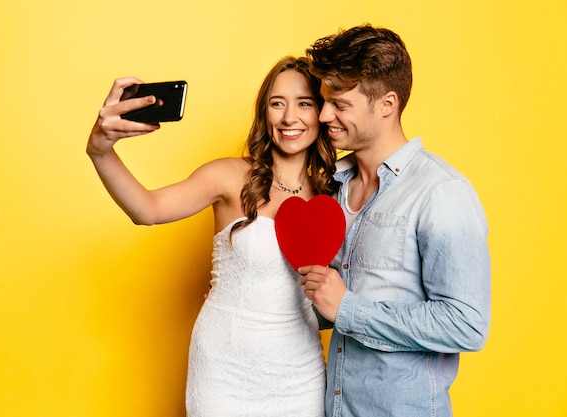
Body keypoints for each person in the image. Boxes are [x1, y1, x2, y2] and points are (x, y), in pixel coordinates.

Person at [86, 56, 338, 417]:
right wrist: (100, 151)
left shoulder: (333, 197)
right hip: (224, 371)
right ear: (264, 113)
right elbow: (148, 210)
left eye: (304, 104)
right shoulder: (230, 177)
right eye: (276, 103)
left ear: (322, 113)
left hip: (299, 376)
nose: (289, 117)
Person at [298, 24, 491, 417]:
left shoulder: (440, 192)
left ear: (386, 104)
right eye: (323, 101)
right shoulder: (334, 189)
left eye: (340, 104)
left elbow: (467, 324)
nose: (322, 115)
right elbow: (327, 300)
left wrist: (349, 309)